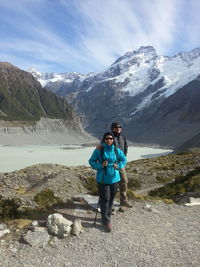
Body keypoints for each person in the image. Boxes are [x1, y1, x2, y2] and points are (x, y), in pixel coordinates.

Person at [89, 132, 127, 232]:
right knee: (105, 199)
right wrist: (101, 166)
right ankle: (106, 220)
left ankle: (107, 215)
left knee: (111, 199)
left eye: (110, 138)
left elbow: (123, 159)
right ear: (104, 139)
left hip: (114, 179)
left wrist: (118, 166)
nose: (109, 140)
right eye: (107, 138)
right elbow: (91, 161)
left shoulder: (116, 150)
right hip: (103, 179)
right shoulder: (99, 150)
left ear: (113, 140)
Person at [110, 122, 133, 208]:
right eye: (116, 127)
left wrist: (123, 157)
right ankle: (111, 202)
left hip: (120, 164)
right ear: (112, 128)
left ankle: (123, 200)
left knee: (123, 182)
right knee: (113, 183)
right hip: (112, 164)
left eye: (120, 127)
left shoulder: (122, 137)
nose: (118, 128)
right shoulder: (110, 137)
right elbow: (106, 148)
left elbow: (126, 147)